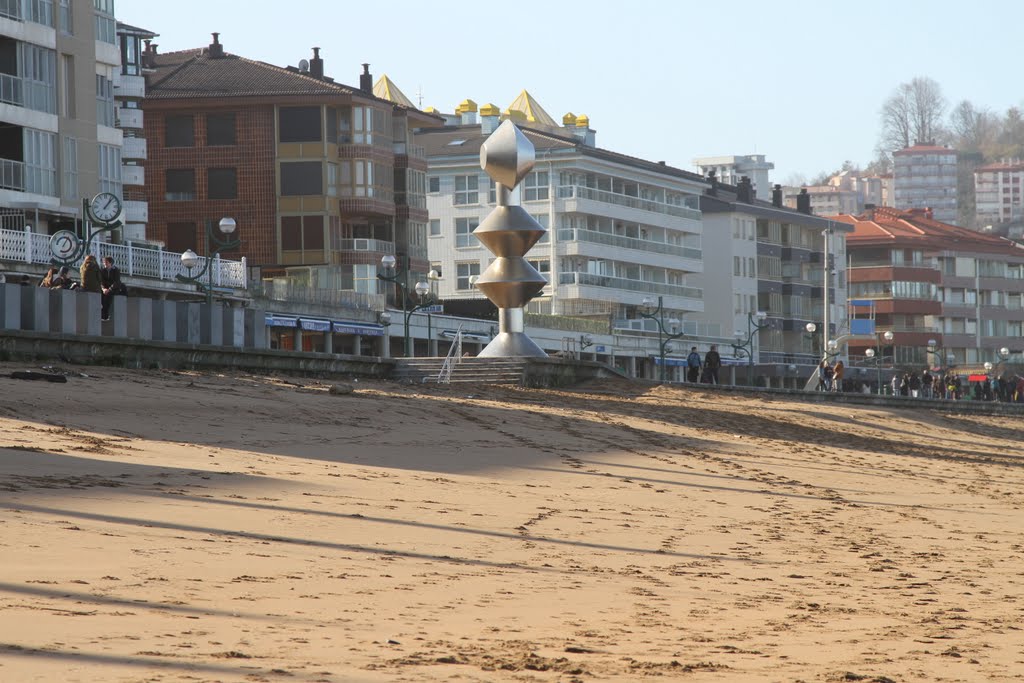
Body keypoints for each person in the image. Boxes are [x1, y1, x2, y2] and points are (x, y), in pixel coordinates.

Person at [99, 255, 124, 321]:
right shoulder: (102, 270)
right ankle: (103, 315)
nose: (104, 264)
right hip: (105, 288)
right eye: (104, 262)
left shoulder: (116, 270)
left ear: (110, 263)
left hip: (113, 288)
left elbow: (116, 282)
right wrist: (103, 289)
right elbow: (101, 281)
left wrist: (109, 289)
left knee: (108, 297)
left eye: (106, 262)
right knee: (102, 296)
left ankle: (106, 315)